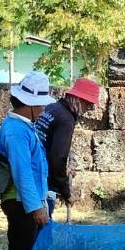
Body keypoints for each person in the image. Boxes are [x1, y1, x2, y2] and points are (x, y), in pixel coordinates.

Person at [0, 71, 55, 250]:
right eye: (39, 105)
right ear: (28, 105)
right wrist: (35, 207)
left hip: (27, 200)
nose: (42, 110)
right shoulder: (16, 131)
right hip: (20, 202)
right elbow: (23, 173)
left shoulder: (23, 127)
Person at [34, 76, 101, 217]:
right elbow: (58, 158)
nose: (87, 110)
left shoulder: (53, 107)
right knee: (42, 229)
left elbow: (51, 144)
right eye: (88, 105)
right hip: (42, 179)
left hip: (34, 169)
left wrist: (65, 168)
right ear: (78, 99)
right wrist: (66, 193)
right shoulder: (66, 119)